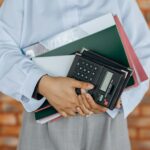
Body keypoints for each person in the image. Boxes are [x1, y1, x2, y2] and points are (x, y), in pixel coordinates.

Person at [0, 0, 150, 150]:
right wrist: (40, 83)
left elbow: (144, 51)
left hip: (107, 120)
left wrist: (117, 98)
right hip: (44, 120)